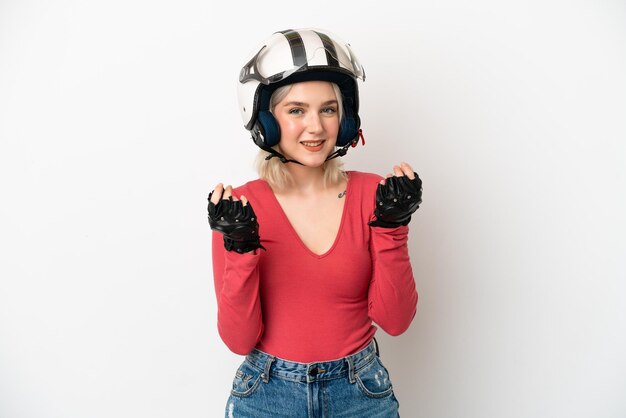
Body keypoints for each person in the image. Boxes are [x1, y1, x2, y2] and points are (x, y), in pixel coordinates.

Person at [207, 28, 422, 417]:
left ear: (345, 117)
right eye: (296, 110)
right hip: (266, 395)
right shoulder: (242, 207)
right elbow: (239, 340)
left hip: (360, 393)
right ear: (265, 120)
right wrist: (240, 249)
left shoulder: (375, 195)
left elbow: (395, 320)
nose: (316, 127)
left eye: (328, 109)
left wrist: (393, 228)